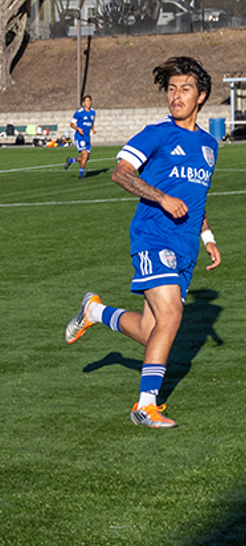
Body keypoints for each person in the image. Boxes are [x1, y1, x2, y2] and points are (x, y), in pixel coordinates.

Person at [64, 57, 221, 429]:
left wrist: (207, 236)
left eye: (185, 89)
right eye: (171, 89)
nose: (176, 95)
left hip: (186, 248)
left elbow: (196, 198)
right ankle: (145, 406)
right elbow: (121, 173)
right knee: (172, 317)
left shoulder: (210, 145)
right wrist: (162, 198)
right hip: (153, 237)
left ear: (201, 96)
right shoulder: (158, 132)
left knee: (155, 333)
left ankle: (95, 312)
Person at [65, 95, 96, 178]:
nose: (88, 103)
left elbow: (92, 121)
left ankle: (71, 161)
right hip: (79, 137)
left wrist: (93, 129)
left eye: (89, 101)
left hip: (87, 137)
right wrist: (78, 129)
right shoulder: (79, 113)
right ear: (83, 103)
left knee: (86, 157)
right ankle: (81, 174)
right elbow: (71, 124)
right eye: (86, 101)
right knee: (85, 155)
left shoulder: (93, 112)